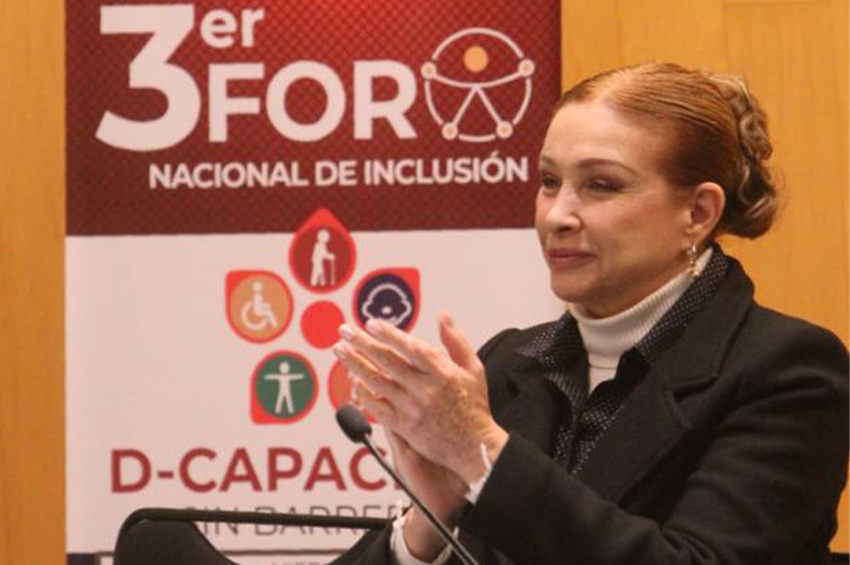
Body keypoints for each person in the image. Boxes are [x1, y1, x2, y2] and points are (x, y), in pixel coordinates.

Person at [330, 62, 849, 565]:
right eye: (548, 181)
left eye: (602, 184)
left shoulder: (787, 371)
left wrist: (483, 453)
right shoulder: (509, 362)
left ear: (697, 213)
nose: (556, 215)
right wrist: (427, 529)